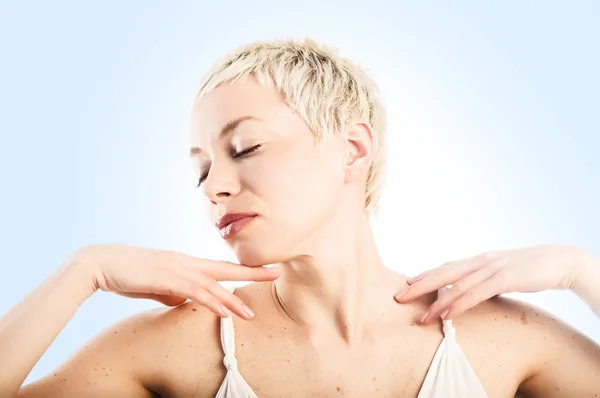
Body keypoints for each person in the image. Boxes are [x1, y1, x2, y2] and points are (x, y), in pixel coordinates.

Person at [1, 37, 599, 398]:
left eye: (246, 148)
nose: (215, 186)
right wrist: (83, 273)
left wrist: (581, 271)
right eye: (201, 168)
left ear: (353, 149)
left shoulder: (496, 339)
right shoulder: (182, 348)